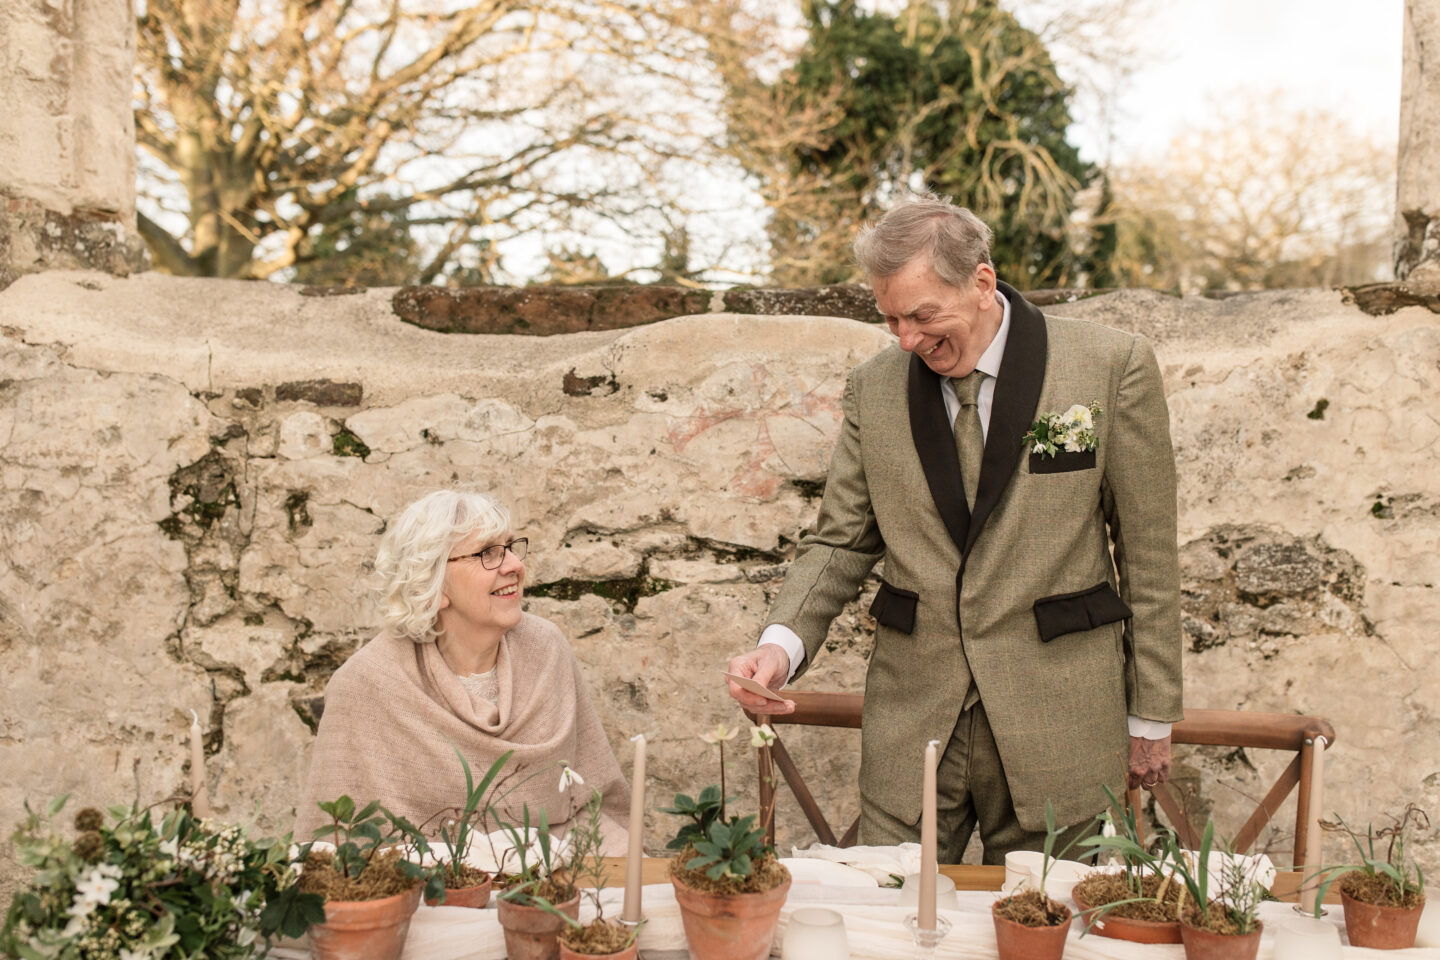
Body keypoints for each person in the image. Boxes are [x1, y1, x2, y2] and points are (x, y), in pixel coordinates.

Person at [727, 193, 1182, 864]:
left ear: (981, 283)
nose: (908, 340)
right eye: (890, 320)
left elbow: (1147, 553)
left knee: (1046, 934)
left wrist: (1151, 713)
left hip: (1060, 726)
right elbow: (842, 539)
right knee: (882, 924)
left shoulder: (1111, 367)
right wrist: (781, 644)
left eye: (921, 315)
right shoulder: (873, 389)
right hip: (913, 722)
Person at [296, 490, 629, 854]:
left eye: (511, 546)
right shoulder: (366, 684)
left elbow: (593, 799)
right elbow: (334, 846)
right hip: (424, 888)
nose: (515, 565)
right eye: (488, 553)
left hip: (559, 867)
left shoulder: (546, 649)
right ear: (433, 585)